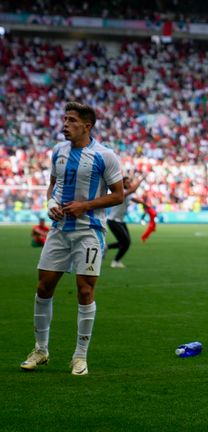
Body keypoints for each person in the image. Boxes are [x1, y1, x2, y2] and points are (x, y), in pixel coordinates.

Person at [20, 101, 124, 376]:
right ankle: (41, 350)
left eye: (71, 120)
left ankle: (80, 356)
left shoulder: (105, 155)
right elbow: (53, 185)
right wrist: (51, 203)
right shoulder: (58, 151)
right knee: (44, 287)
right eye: (64, 119)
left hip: (89, 232)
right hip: (59, 230)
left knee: (85, 291)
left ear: (87, 126)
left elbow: (118, 195)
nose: (65, 124)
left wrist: (85, 206)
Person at [106, 175, 143, 268]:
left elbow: (135, 199)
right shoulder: (121, 192)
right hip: (113, 221)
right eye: (127, 182)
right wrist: (140, 180)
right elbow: (132, 191)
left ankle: (107, 248)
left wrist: (145, 204)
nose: (129, 183)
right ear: (122, 183)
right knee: (126, 242)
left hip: (120, 221)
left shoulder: (128, 193)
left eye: (130, 182)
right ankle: (115, 262)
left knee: (125, 242)